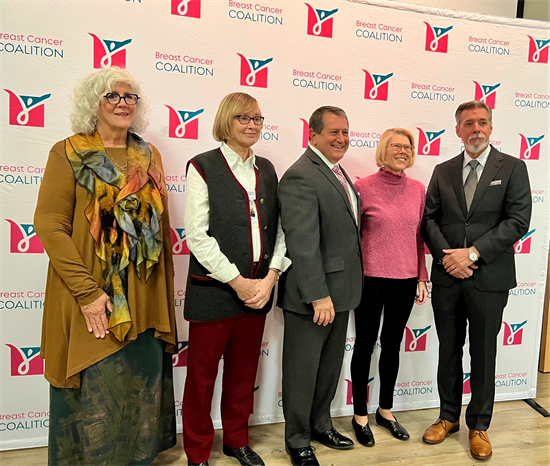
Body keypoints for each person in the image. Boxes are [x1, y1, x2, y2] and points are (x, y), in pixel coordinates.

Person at [34, 67, 177, 466]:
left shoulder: (148, 155)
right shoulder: (68, 151)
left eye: (129, 97)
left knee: (137, 388)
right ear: (92, 105)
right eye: (112, 96)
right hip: (90, 293)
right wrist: (88, 292)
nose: (122, 103)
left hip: (143, 295)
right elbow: (49, 225)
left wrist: (163, 301)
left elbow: (159, 233)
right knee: (93, 390)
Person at [182, 92, 290, 466]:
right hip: (215, 292)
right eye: (244, 118)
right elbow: (197, 236)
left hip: (259, 292)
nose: (252, 125)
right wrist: (237, 281)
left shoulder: (268, 170)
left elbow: (280, 229)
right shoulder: (202, 166)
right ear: (227, 121)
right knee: (201, 379)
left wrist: (271, 276)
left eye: (258, 119)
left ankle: (236, 440)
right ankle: (197, 453)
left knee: (244, 375)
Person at [421, 100, 532, 461]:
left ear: (491, 126)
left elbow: (517, 221)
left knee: (483, 353)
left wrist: (471, 254)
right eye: (468, 124)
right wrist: (448, 257)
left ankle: (479, 424)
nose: (476, 129)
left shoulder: (513, 168)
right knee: (448, 350)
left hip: (489, 277)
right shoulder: (442, 170)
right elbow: (429, 221)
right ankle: (447, 416)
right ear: (457, 130)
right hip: (448, 277)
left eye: (482, 122)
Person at [278, 106, 363, 466]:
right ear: (312, 135)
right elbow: (302, 242)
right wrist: (318, 295)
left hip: (341, 291)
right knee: (303, 371)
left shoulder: (337, 172)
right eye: (333, 132)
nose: (342, 139)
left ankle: (320, 424)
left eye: (345, 132)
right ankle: (297, 440)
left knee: (328, 368)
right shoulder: (300, 176)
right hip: (314, 295)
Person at [350, 128, 429, 446]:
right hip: (370, 279)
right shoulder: (362, 187)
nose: (403, 150)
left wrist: (423, 276)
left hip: (406, 279)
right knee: (365, 345)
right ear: (384, 149)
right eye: (396, 145)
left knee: (393, 345)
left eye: (407, 146)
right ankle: (359, 416)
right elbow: (353, 238)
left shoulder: (418, 189)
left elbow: (419, 237)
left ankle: (385, 411)